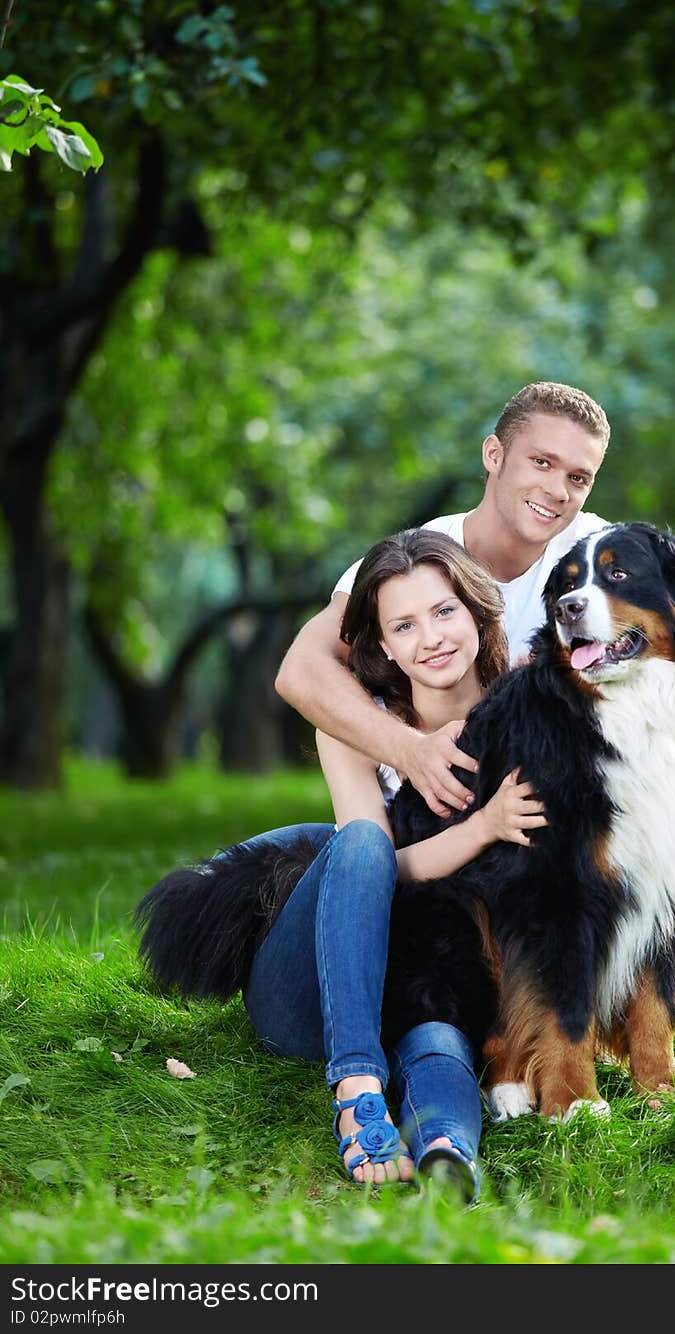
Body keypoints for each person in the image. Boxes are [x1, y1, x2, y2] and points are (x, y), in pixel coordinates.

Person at [136, 529, 548, 1201]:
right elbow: (376, 865)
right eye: (405, 625)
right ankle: (357, 1088)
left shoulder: (527, 708)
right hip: (317, 988)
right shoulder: (354, 723)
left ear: (478, 612)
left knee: (440, 1038)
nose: (433, 638)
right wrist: (483, 828)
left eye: (444, 612)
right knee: (360, 843)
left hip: (434, 973)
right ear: (382, 645)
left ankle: (448, 1150)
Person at [275, 381, 611, 820]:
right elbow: (300, 670)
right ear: (495, 455)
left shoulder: (598, 556)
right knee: (254, 872)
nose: (557, 490)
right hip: (414, 820)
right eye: (542, 462)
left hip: (538, 814)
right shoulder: (413, 562)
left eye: (578, 478)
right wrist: (410, 750)